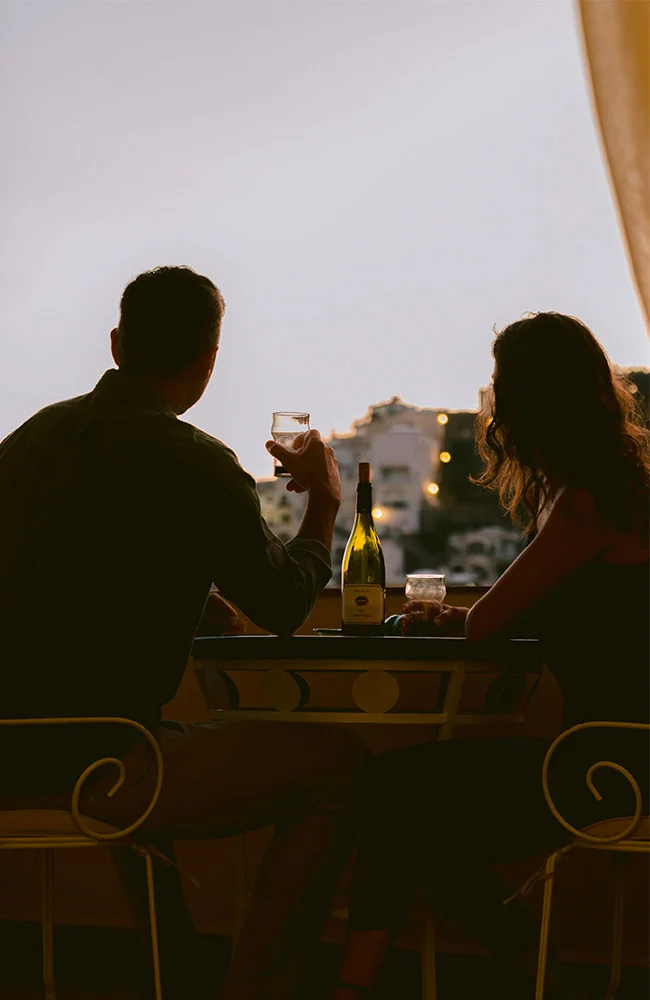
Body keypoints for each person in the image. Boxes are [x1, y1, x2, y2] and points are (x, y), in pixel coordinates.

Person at [0, 265, 368, 1000]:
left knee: (148, 738)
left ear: (115, 343)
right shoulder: (196, 463)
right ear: (208, 360)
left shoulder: (26, 444)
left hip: (11, 752)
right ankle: (253, 986)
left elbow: (68, 568)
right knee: (342, 765)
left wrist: (184, 596)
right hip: (106, 762)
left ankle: (176, 969)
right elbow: (286, 603)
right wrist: (324, 504)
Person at [329, 313, 650, 1000]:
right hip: (614, 753)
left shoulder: (587, 502)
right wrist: (470, 619)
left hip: (607, 764)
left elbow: (486, 626)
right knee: (409, 820)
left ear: (533, 399)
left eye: (503, 384)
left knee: (390, 794)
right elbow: (550, 615)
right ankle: (531, 971)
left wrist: (449, 621)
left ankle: (374, 986)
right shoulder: (616, 486)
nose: (494, 399)